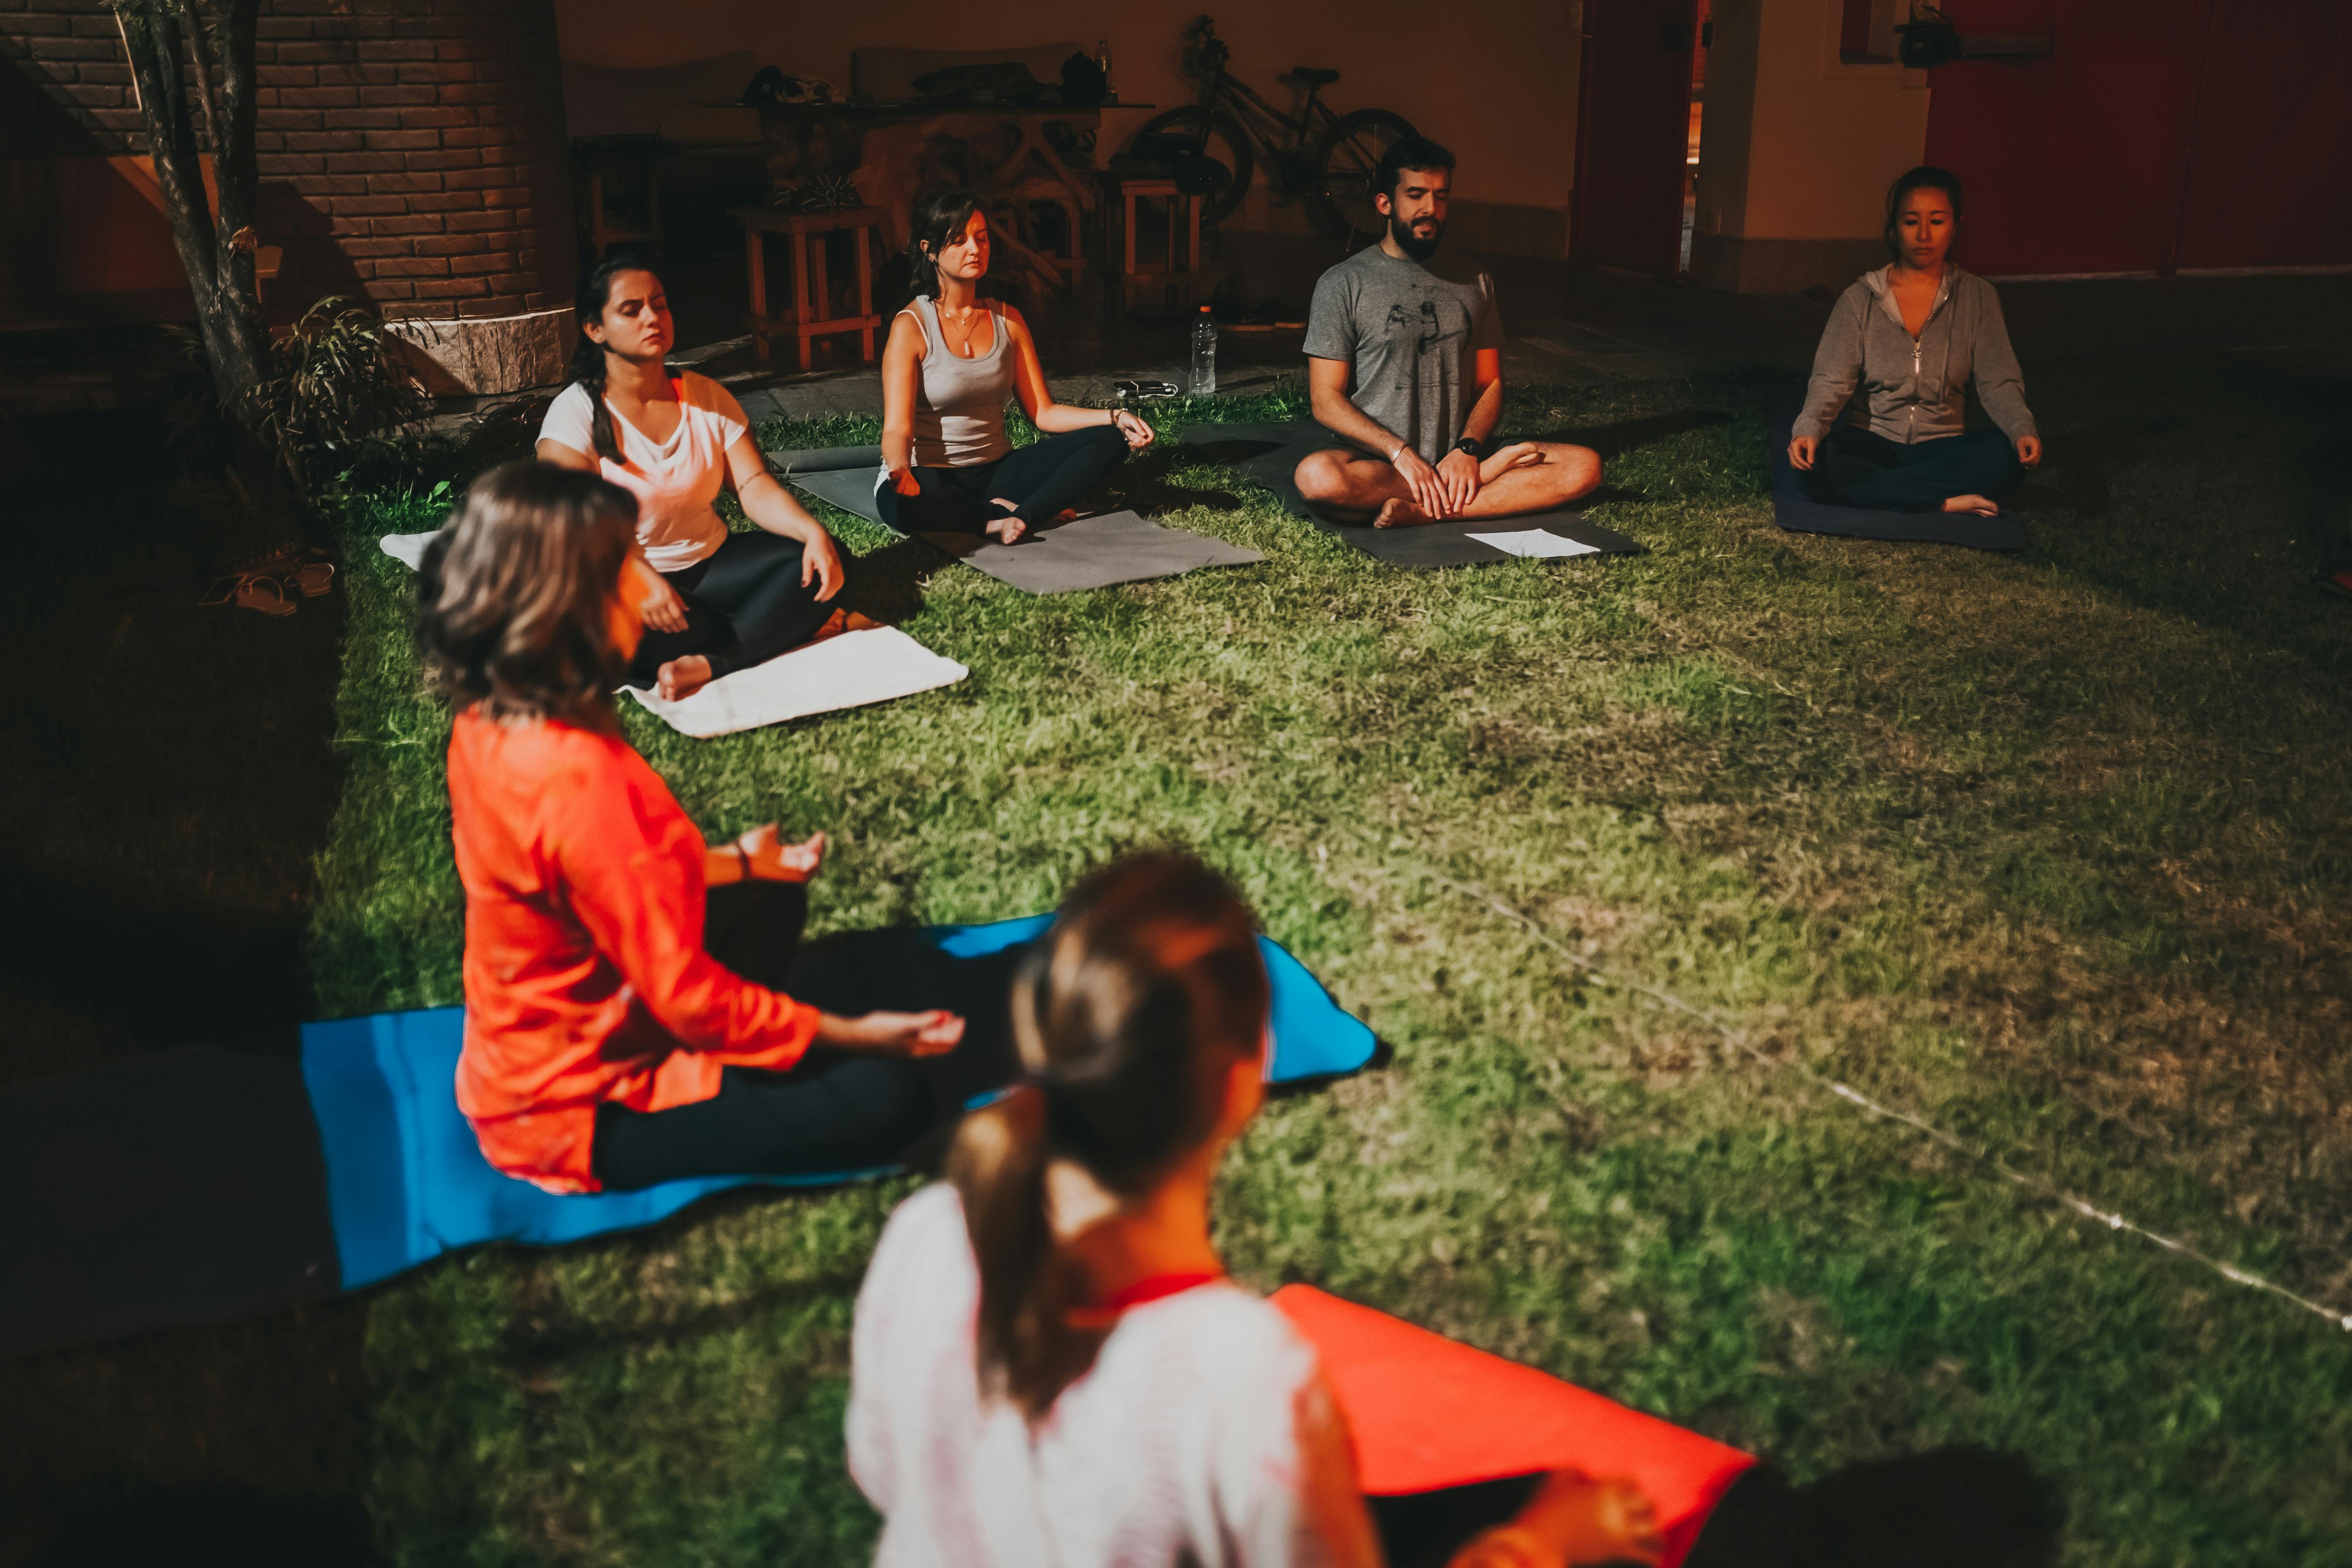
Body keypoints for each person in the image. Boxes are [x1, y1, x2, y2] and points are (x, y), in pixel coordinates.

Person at [847, 851, 1663, 1568]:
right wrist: (1544, 1546)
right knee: (1545, 1505)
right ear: (1245, 1077)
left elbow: (881, 1471)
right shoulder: (1238, 1380)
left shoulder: (928, 1231)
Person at [415, 462, 1017, 1195]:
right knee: (890, 1095)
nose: (640, 590)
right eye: (619, 571)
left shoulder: (489, 714)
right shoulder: (572, 779)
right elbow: (687, 994)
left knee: (768, 892)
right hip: (572, 1105)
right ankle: (760, 1062)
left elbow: (593, 883)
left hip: (554, 1034)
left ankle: (754, 1045)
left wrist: (736, 862)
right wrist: (859, 1034)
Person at [537, 255, 870, 703]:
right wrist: (636, 575)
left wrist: (811, 531)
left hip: (712, 566)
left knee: (825, 562)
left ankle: (715, 659)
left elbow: (753, 486)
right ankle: (762, 626)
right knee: (607, 635)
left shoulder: (706, 396)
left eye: (660, 305)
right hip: (622, 579)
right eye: (631, 310)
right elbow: (571, 520)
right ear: (595, 330)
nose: (652, 318)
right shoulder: (575, 412)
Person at [1294, 138, 1601, 529]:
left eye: (1441, 196)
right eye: (1416, 195)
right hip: (1382, 463)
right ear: (1385, 204)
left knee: (1584, 467)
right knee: (1319, 477)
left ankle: (1423, 512)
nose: (1431, 209)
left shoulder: (1476, 280)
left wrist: (1468, 451)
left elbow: (1490, 384)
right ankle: (1477, 487)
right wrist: (1400, 452)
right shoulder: (1342, 283)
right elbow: (1325, 399)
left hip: (1463, 459)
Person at [879, 188, 1154, 544]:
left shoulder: (1008, 320)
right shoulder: (911, 326)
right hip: (932, 472)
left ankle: (1023, 516)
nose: (975, 250)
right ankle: (994, 518)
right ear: (929, 251)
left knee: (1110, 442)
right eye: (959, 241)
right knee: (902, 503)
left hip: (998, 471)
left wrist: (1115, 417)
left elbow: (1043, 413)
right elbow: (897, 429)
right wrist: (901, 470)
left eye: (981, 238)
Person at [1787, 166, 2042, 516]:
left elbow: (1998, 380)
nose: (1924, 234)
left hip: (1944, 447)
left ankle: (1887, 492)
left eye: (1937, 222)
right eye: (1911, 222)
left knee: (2006, 456)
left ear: (1955, 228)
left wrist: (2021, 428)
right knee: (1820, 461)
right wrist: (1809, 428)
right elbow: (1831, 379)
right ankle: (1943, 502)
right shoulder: (1859, 299)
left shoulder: (1978, 298)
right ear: (1894, 229)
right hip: (1873, 443)